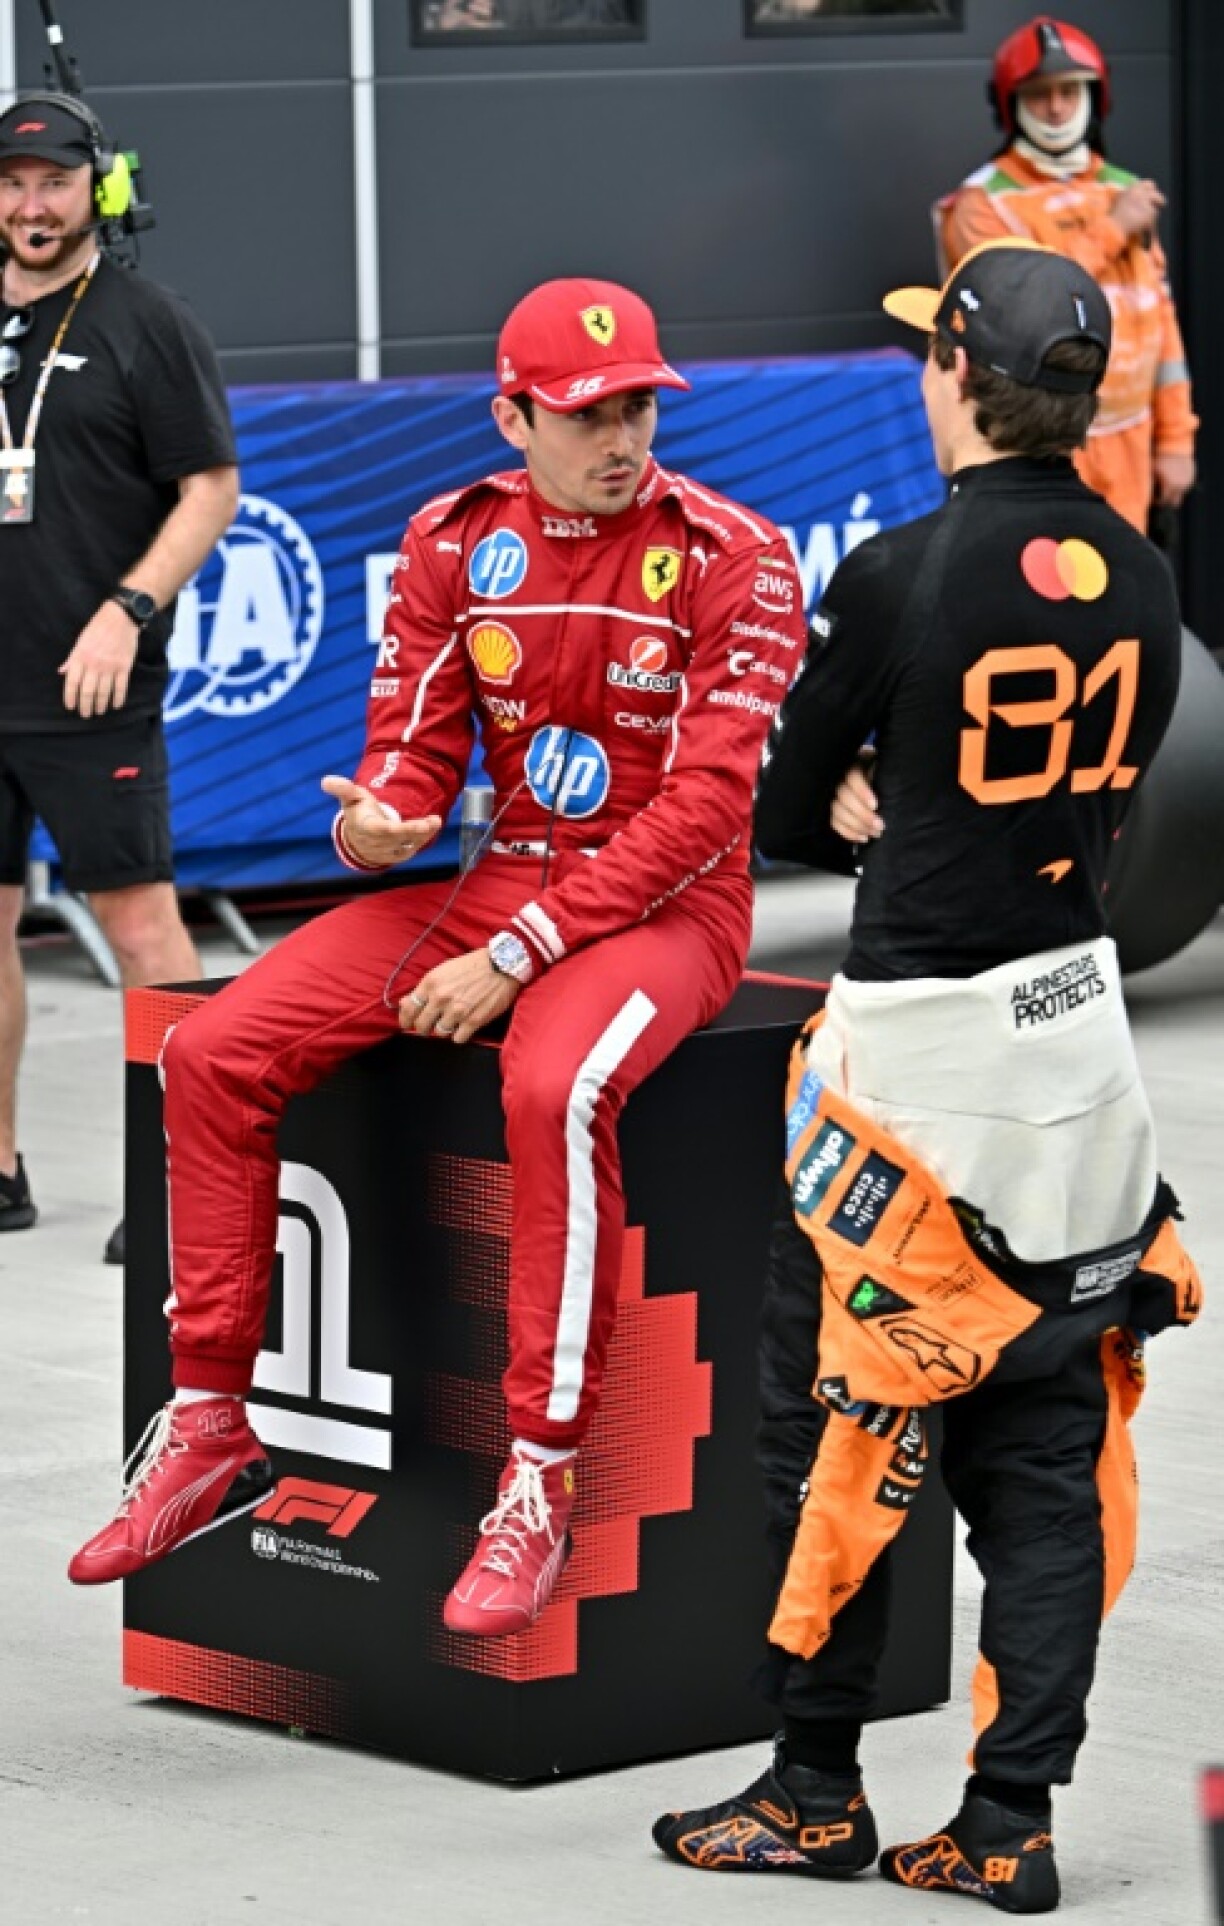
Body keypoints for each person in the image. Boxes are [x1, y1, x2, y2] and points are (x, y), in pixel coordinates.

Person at [67, 274, 806, 1637]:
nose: (622, 435)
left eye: (639, 403)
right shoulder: (452, 537)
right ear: (512, 415)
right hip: (499, 880)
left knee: (550, 1086)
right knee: (213, 1046)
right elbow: (415, 738)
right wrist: (387, 816)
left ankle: (539, 1473)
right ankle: (214, 1416)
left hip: (671, 911)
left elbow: (709, 810)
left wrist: (521, 952)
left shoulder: (735, 555)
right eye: (587, 412)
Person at [652, 242, 1201, 1911]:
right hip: (1076, 1056)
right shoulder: (1143, 578)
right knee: (1037, 1454)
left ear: (955, 375)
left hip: (911, 1067)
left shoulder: (898, 573)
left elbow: (776, 804)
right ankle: (1006, 1818)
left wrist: (860, 802)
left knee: (828, 1433)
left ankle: (812, 1788)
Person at [0, 95, 239, 1260]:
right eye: (12, 182)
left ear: (96, 186)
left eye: (53, 181)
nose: (30, 205)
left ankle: (183, 1184)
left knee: (142, 926)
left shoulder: (148, 322)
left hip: (92, 686)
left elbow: (210, 490)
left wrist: (128, 611)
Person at [937, 16, 1197, 535]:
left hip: (1130, 443)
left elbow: (1159, 321)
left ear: (1095, 98)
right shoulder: (980, 203)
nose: (1055, 108)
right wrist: (1112, 227)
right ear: (1011, 104)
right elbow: (1025, 303)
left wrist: (1176, 441)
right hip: (1033, 448)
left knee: (1124, 599)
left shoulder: (1123, 189)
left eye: (1069, 91)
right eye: (1038, 94)